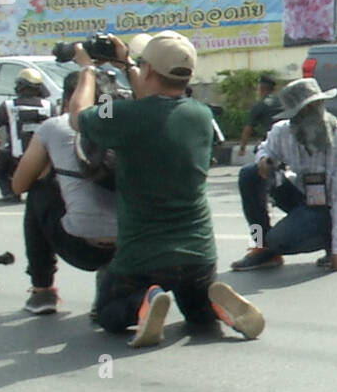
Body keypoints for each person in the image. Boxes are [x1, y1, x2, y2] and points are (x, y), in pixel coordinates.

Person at [73, 32, 264, 346]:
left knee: (109, 313)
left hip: (141, 258)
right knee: (197, 315)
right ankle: (212, 305)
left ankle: (145, 301)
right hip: (198, 255)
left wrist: (86, 70)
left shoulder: (124, 117)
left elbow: (78, 118)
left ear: (148, 70)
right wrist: (128, 64)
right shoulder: (200, 117)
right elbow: (156, 106)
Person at [230, 77, 337, 272]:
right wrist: (264, 160)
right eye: (303, 110)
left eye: (314, 107)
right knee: (249, 174)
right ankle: (260, 245)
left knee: (278, 240)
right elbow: (265, 149)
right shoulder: (282, 133)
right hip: (306, 199)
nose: (310, 113)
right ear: (293, 115)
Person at [10, 70, 117, 316]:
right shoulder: (130, 126)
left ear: (71, 100)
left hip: (80, 246)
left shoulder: (54, 127)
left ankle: (42, 290)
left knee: (37, 190)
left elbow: (18, 185)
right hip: (132, 245)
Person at [0, 67, 53, 203]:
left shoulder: (8, 106)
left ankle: (9, 192)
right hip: (46, 165)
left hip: (17, 163)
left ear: (19, 87)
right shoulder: (50, 106)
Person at [237, 73, 282, 156]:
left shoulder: (260, 105)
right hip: (286, 140)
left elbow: (248, 128)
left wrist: (242, 148)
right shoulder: (282, 101)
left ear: (261, 88)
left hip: (270, 142)